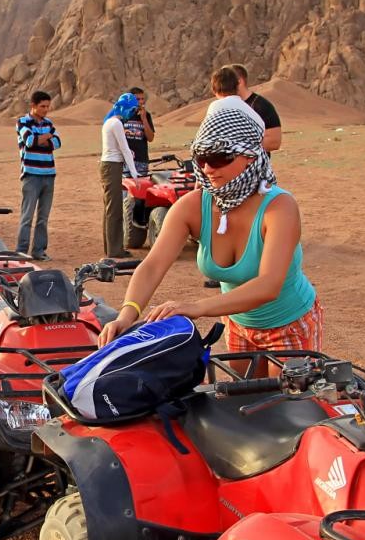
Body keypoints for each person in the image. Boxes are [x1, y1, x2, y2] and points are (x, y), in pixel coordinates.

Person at [98, 103, 322, 356]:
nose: (207, 169)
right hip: (238, 325)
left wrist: (198, 307)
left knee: (284, 396)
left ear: (250, 155)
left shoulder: (279, 207)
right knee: (241, 395)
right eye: (201, 159)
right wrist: (126, 315)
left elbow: (269, 285)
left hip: (289, 324)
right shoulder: (194, 206)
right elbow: (152, 265)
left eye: (218, 158)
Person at [15, 90, 60, 260]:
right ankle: (21, 251)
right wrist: (46, 138)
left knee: (43, 217)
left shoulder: (49, 123)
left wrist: (43, 139)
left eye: (48, 106)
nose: (46, 110)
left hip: (49, 175)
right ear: (33, 105)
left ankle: (39, 251)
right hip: (31, 175)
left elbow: (57, 143)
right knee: (27, 216)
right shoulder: (22, 122)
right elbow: (30, 142)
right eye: (42, 106)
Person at [99, 92, 142, 259]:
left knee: (109, 208)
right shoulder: (116, 123)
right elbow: (124, 149)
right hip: (112, 167)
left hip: (108, 166)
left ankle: (109, 246)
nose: (131, 114)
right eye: (131, 110)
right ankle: (115, 250)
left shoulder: (109, 122)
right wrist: (135, 175)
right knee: (114, 210)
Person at [210, 65, 282, 151]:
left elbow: (274, 142)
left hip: (254, 162)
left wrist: (238, 149)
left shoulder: (261, 106)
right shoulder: (220, 106)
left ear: (239, 81)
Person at [123, 87, 156, 249]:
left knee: (140, 196)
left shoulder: (146, 116)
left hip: (141, 161)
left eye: (143, 99)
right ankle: (124, 234)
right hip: (123, 162)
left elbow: (150, 138)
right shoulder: (122, 115)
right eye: (138, 99)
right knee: (123, 197)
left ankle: (137, 229)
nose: (141, 102)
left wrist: (143, 119)